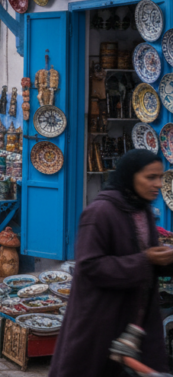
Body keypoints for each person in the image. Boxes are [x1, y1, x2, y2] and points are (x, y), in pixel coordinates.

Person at [50, 150, 173, 376]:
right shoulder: (100, 212)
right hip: (101, 322)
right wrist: (145, 259)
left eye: (159, 177)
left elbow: (148, 261)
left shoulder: (142, 210)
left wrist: (164, 259)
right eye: (150, 177)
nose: (157, 184)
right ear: (130, 175)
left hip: (135, 323)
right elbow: (90, 266)